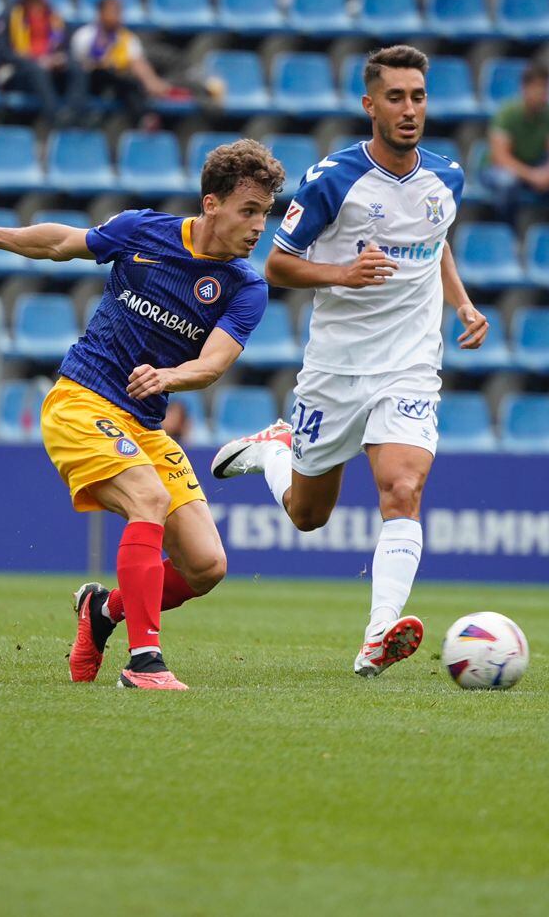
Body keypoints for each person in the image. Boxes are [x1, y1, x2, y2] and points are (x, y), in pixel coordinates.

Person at [0, 140, 285, 690]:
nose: (256, 227)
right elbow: (62, 243)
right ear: (212, 204)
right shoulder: (143, 231)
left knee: (205, 565)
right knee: (147, 499)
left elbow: (214, 363)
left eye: (264, 215)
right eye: (248, 211)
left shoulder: (246, 286)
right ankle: (144, 662)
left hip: (144, 422)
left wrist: (169, 377)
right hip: (81, 399)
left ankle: (102, 612)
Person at [211, 45, 490, 678]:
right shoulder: (332, 179)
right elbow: (277, 265)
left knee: (403, 488)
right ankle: (276, 451)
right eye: (395, 97)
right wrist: (345, 272)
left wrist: (464, 304)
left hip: (411, 363)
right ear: (370, 105)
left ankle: (378, 632)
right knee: (309, 517)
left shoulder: (447, 175)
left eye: (418, 96)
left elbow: (434, 240)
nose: (409, 109)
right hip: (337, 368)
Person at [483, 62, 549, 218]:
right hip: (500, 170)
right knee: (507, 182)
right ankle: (507, 233)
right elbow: (501, 158)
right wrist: (533, 176)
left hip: (536, 167)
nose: (543, 93)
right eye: (538, 87)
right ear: (525, 88)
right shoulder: (507, 114)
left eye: (546, 88)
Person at [0, 0, 79, 124]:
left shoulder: (54, 17)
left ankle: (74, 115)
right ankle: (56, 118)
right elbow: (2, 52)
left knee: (75, 67)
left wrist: (58, 59)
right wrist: (35, 61)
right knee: (36, 69)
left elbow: (65, 47)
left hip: (50, 72)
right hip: (20, 73)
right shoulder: (10, 14)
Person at [68, 0, 173, 126]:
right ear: (100, 13)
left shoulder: (127, 38)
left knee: (129, 84)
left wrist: (151, 81)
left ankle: (143, 120)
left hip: (115, 81)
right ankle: (76, 117)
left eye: (119, 12)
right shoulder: (84, 36)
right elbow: (77, 66)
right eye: (113, 12)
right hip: (89, 81)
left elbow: (138, 62)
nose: (117, 17)